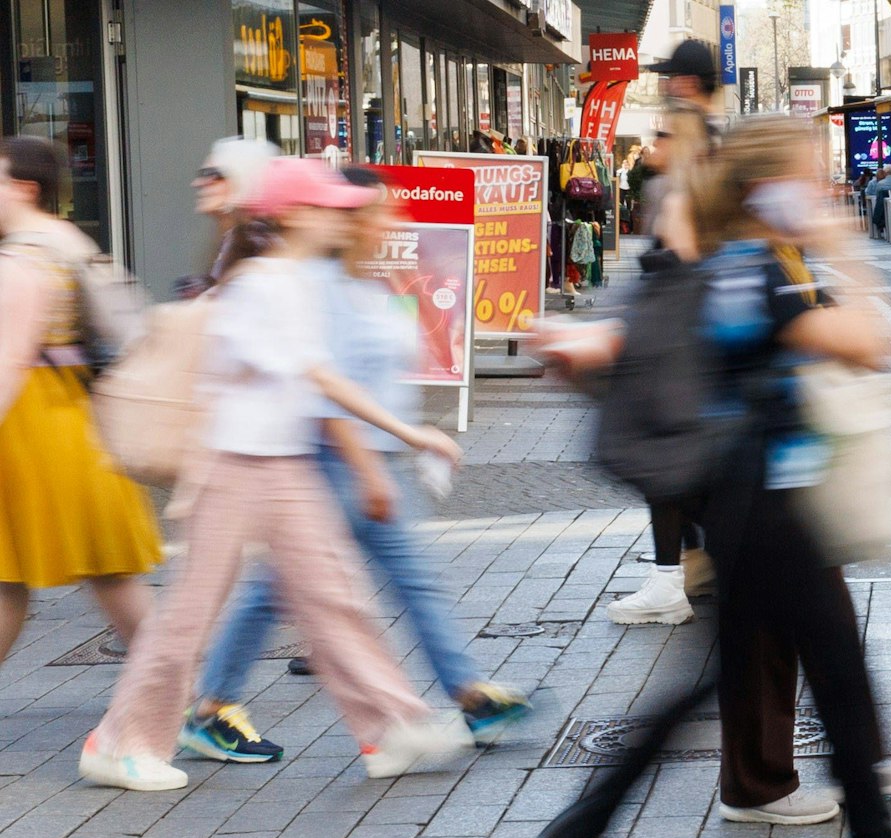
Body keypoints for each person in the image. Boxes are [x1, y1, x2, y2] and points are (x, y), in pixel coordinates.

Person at [536, 118, 891, 838]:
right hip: (758, 496)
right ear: (766, 190)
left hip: (765, 492)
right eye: (806, 177)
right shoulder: (758, 271)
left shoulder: (745, 265)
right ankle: (586, 827)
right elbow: (869, 342)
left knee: (802, 666)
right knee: (773, 671)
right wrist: (840, 239)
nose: (820, 190)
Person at [80, 159, 473, 793]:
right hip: (237, 466)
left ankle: (389, 726)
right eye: (322, 207)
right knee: (191, 612)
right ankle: (121, 741)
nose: (335, 216)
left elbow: (313, 378)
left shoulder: (291, 281)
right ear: (291, 216)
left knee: (334, 598)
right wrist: (410, 433)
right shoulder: (263, 284)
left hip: (282, 463)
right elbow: (316, 375)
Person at [176, 167, 532, 766]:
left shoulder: (364, 286)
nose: (395, 222)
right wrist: (370, 468)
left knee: (402, 582)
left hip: (370, 462)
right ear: (352, 219)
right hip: (334, 464)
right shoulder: (310, 287)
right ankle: (211, 708)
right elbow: (321, 388)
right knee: (281, 590)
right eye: (383, 211)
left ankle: (467, 696)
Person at [0, 137, 161, 677]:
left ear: (25, 188)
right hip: (71, 419)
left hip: (34, 429)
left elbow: (10, 360)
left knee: (28, 576)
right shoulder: (69, 241)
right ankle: (189, 699)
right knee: (95, 571)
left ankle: (190, 700)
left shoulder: (24, 259)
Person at [610, 100, 714, 625]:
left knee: (663, 471)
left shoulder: (682, 200)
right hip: (683, 359)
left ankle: (670, 582)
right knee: (676, 474)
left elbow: (684, 282)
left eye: (664, 134)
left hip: (677, 360)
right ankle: (683, 571)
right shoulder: (692, 194)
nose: (653, 143)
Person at [178, 136, 278, 297]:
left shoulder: (257, 241)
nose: (197, 183)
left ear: (243, 179)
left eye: (211, 174)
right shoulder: (233, 238)